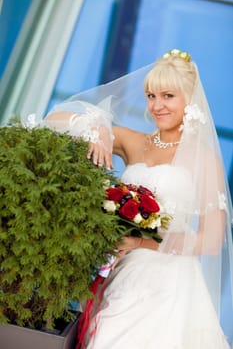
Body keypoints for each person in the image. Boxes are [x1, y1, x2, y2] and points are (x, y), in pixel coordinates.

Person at [43, 49, 233, 348]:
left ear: (190, 98)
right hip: (121, 271)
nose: (157, 106)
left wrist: (141, 242)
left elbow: (210, 240)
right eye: (150, 96)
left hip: (170, 283)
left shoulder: (204, 159)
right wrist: (97, 130)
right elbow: (54, 119)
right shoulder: (135, 141)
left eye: (167, 96)